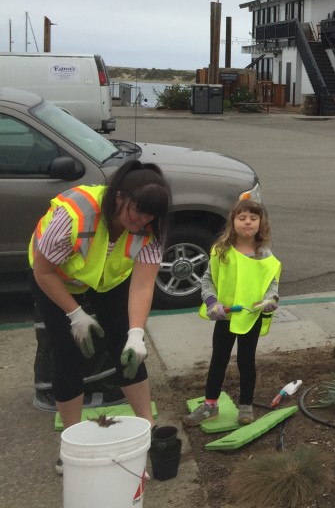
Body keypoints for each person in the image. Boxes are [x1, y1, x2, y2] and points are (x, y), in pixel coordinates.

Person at [29, 161, 171, 473]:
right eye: (138, 212)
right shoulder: (75, 214)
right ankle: (72, 445)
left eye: (151, 216)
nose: (142, 221)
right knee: (67, 353)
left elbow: (144, 284)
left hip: (108, 282)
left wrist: (136, 333)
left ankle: (146, 428)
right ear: (119, 196)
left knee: (127, 350)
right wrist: (76, 314)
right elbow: (43, 270)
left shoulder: (151, 228)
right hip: (56, 279)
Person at [184, 199, 281, 427]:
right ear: (233, 221)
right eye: (242, 218)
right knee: (219, 358)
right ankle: (210, 405)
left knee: (247, 361)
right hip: (225, 316)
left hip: (250, 317)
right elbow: (208, 280)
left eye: (253, 218)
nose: (248, 222)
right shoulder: (221, 251)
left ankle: (246, 404)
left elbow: (272, 284)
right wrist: (211, 302)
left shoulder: (264, 256)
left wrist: (270, 300)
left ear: (261, 223)